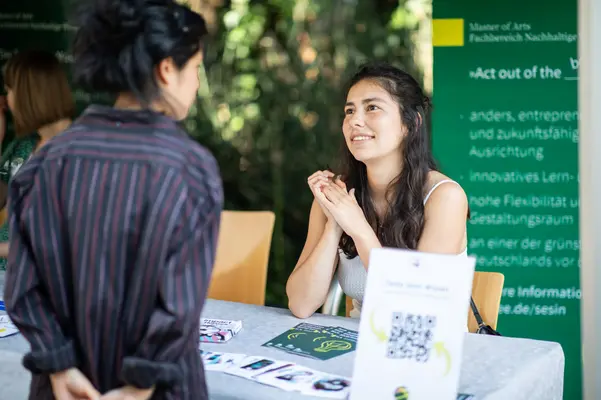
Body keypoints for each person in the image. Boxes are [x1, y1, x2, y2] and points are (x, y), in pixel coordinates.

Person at [3, 1, 223, 399]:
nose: (196, 82)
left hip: (64, 390)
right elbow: (180, 305)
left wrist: (58, 366)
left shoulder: (48, 160)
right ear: (167, 69)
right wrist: (140, 385)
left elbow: (21, 288)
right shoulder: (191, 167)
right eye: (195, 69)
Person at [286, 63, 469, 319]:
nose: (355, 121)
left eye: (372, 108)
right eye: (349, 111)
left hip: (422, 351)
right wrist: (334, 226)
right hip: (352, 347)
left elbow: (416, 310)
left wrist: (359, 229)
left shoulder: (444, 197)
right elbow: (300, 304)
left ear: (411, 123)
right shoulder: (339, 196)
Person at [0, 50, 74, 269]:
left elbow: (57, 241)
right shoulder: (23, 144)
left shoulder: (76, 152)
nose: (6, 100)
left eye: (9, 91)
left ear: (27, 95)